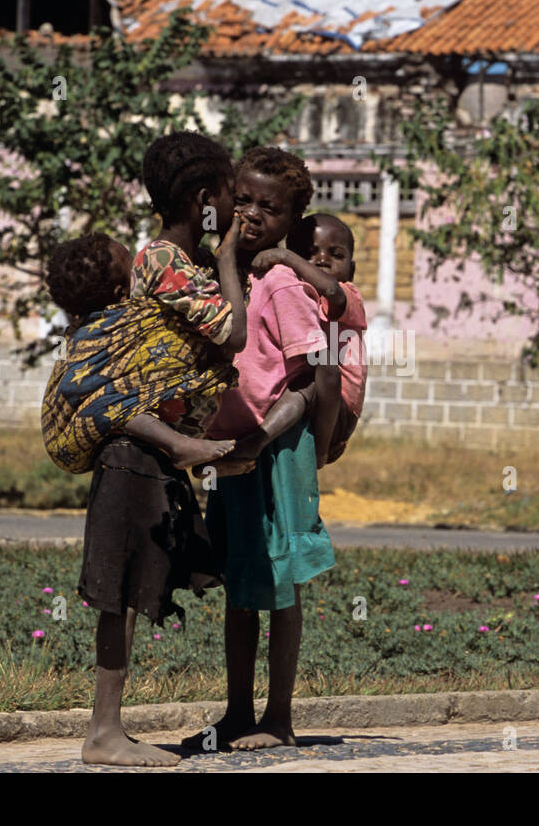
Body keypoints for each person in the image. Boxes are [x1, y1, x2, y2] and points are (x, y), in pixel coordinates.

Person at [41, 132, 248, 767]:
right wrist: (233, 254)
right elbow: (233, 331)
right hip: (129, 453)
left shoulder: (182, 263)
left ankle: (111, 728)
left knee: (135, 589)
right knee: (121, 593)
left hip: (144, 453)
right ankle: (103, 732)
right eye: (230, 199)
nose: (236, 211)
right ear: (204, 198)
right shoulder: (164, 260)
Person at [181, 146, 334, 753]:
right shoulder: (226, 277)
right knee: (242, 582)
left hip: (275, 450)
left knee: (281, 582)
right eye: (241, 200)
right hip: (232, 452)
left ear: (292, 219)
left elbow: (307, 379)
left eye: (268, 208)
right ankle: (237, 711)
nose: (249, 214)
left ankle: (279, 717)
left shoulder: (282, 282)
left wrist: (260, 439)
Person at [247, 212, 367, 467]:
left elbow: (332, 291)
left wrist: (286, 257)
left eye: (336, 255)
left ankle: (313, 452)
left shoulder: (349, 296)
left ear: (352, 269)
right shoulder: (295, 294)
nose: (322, 261)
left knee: (314, 378)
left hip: (338, 410)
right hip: (316, 403)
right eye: (310, 253)